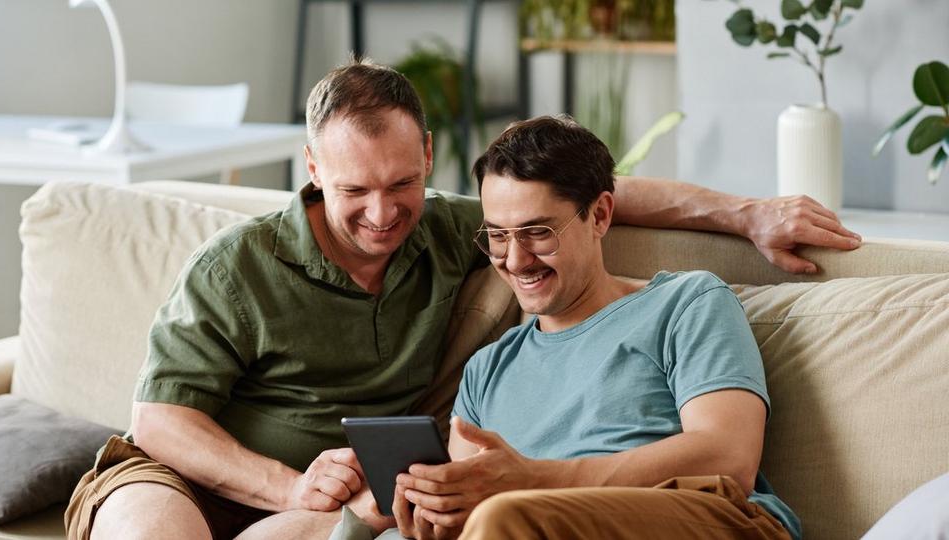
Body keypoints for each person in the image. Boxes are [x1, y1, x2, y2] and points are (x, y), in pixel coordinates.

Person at [64, 59, 855, 540]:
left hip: (379, 502)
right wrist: (304, 489)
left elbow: (573, 190)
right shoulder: (242, 267)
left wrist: (744, 211)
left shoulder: (673, 299)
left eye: (402, 184)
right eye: (354, 191)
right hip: (187, 475)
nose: (383, 214)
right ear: (310, 168)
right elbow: (158, 421)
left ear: (428, 159)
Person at [386, 115, 800, 540]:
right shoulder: (486, 371)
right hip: (524, 529)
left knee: (504, 516)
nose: (515, 260)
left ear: (600, 215)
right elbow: (470, 508)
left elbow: (729, 457)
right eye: (497, 236)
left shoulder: (685, 304)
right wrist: (436, 516)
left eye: (537, 232)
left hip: (706, 518)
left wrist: (534, 480)